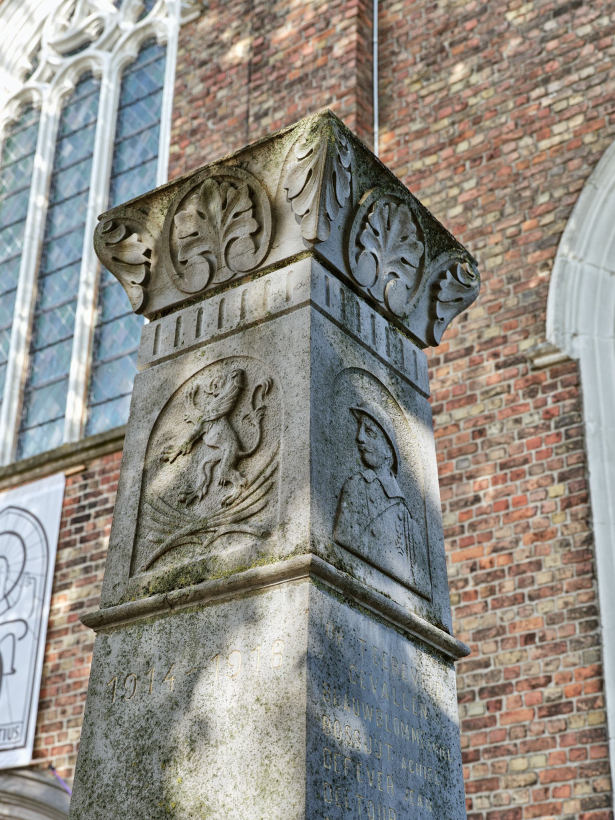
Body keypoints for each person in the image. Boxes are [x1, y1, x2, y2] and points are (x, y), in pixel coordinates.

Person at [333, 403, 431, 599]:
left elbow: (421, 583)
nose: (359, 437)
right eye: (360, 429)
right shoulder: (356, 487)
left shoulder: (409, 524)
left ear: (389, 449)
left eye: (369, 431)